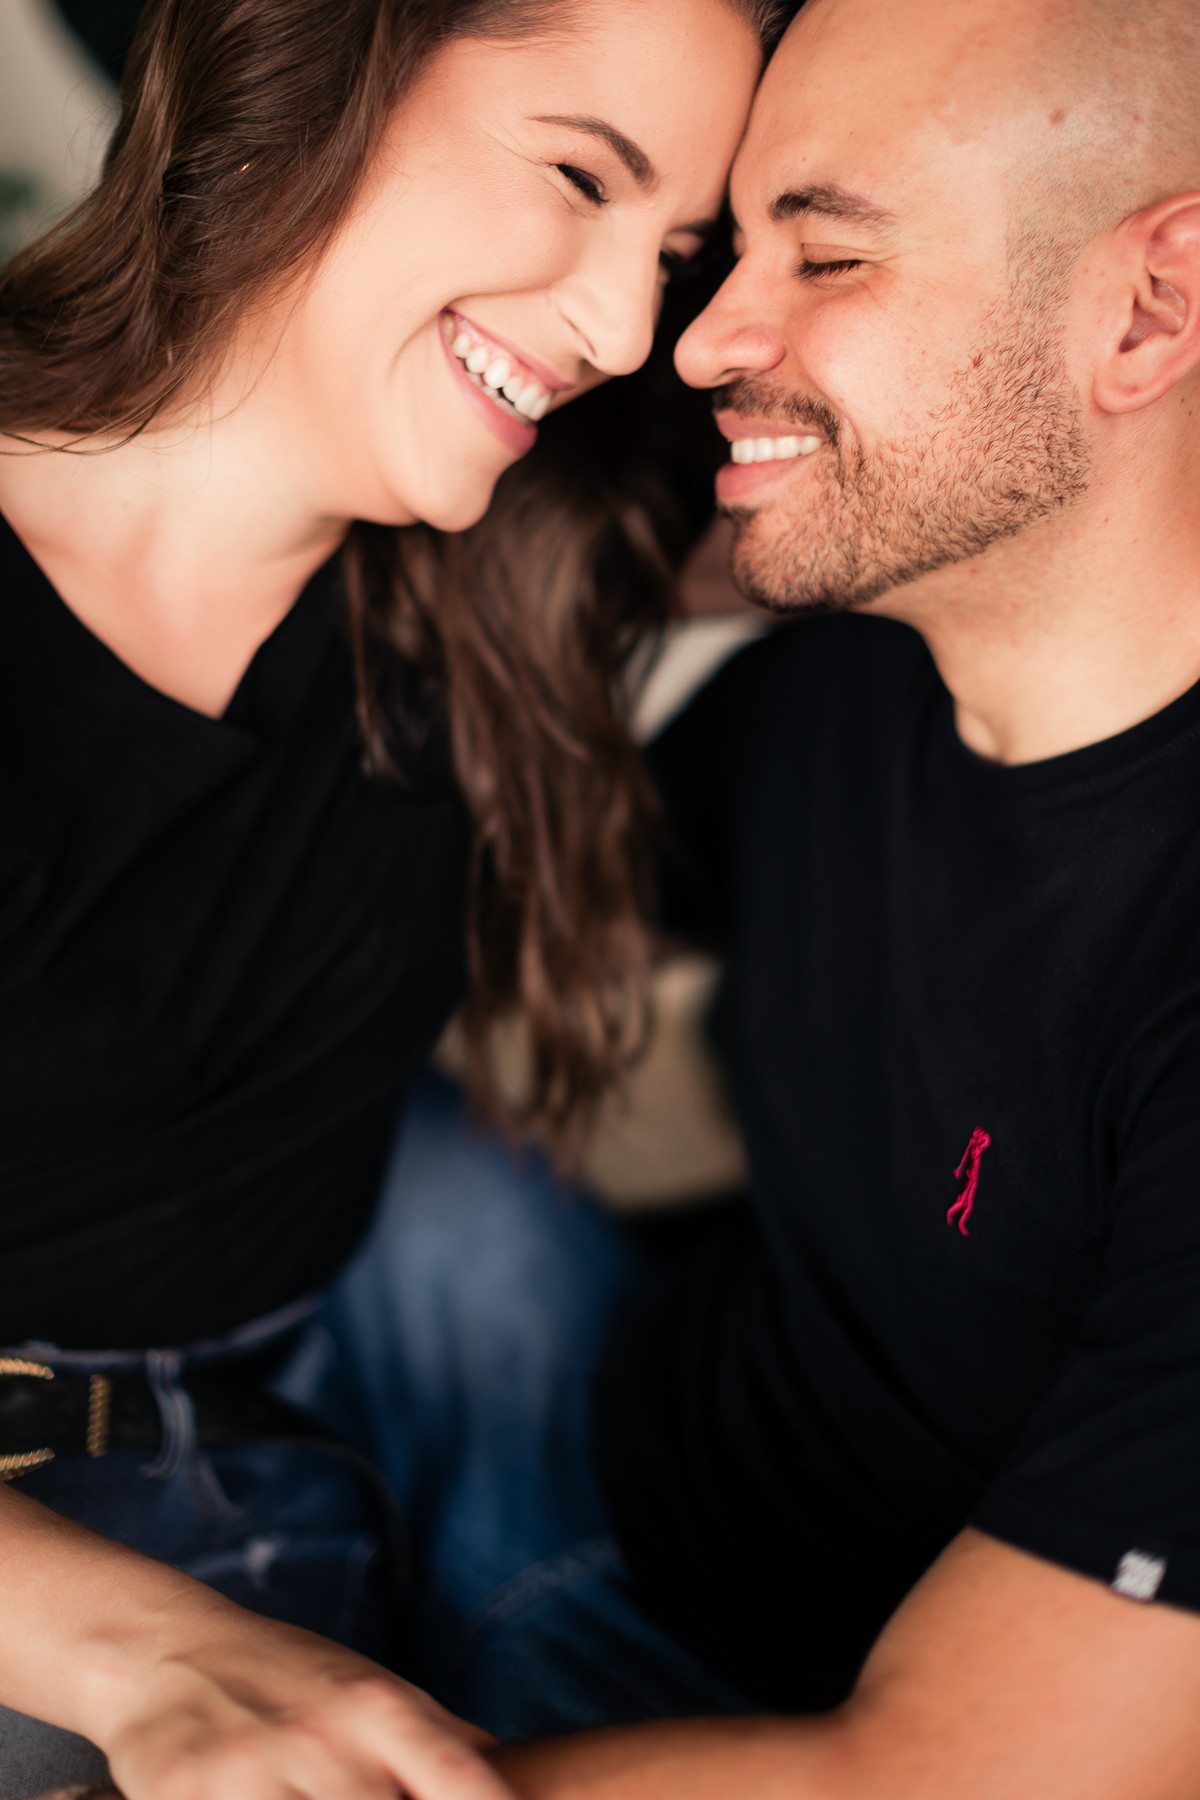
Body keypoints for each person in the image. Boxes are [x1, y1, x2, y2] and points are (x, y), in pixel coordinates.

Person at [298, 0, 1200, 1793]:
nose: (698, 338)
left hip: (749, 1715)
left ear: (1150, 308)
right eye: (724, 253)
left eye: (829, 254)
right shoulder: (867, 651)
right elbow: (456, 892)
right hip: (605, 1404)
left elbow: (938, 1776)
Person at [0, 0, 770, 1793]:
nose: (624, 330)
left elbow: (938, 480)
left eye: (674, 252)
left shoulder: (518, 536)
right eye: (578, 175)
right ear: (303, 62)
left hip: (377, 1388)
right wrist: (143, 1658)